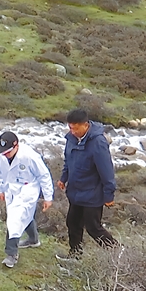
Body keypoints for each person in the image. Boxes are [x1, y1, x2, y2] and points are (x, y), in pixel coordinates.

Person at [56, 109, 119, 260]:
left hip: (93, 193)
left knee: (93, 228)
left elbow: (107, 171)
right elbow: (68, 160)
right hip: (75, 191)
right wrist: (63, 178)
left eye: (76, 128)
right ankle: (75, 256)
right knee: (72, 223)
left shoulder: (98, 142)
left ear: (85, 125)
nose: (72, 131)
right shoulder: (71, 139)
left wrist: (109, 195)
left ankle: (119, 255)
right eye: (70, 128)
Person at [0, 132, 54, 268]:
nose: (5, 155)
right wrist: (1, 189)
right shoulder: (0, 155)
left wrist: (48, 197)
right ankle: (33, 239)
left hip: (28, 189)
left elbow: (44, 175)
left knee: (15, 219)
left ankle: (11, 255)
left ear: (16, 146)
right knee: (24, 216)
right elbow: (0, 172)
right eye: (3, 152)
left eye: (8, 152)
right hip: (11, 188)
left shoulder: (30, 156)